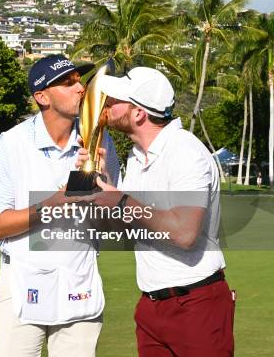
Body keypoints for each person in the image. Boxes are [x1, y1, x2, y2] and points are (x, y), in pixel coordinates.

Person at [0, 55, 121, 357]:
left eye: (79, 80)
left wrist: (101, 180)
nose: (80, 88)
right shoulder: (12, 142)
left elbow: (110, 221)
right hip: (22, 281)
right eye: (67, 83)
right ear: (42, 97)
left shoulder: (99, 139)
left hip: (79, 278)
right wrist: (55, 202)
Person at [88, 67, 234, 356]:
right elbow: (128, 228)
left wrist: (119, 199)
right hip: (151, 306)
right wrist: (100, 186)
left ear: (139, 113)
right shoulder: (136, 156)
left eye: (114, 100)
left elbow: (184, 233)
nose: (106, 104)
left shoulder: (185, 152)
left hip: (195, 302)